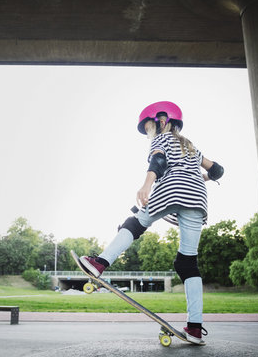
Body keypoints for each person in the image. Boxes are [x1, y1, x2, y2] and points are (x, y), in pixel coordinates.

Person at [80, 101, 224, 345]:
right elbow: (218, 170)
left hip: (171, 189)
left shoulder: (161, 139)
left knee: (134, 223)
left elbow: (158, 161)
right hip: (198, 198)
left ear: (161, 121)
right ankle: (195, 327)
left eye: (148, 128)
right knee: (187, 262)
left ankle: (100, 263)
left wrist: (147, 184)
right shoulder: (190, 146)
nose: (148, 133)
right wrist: (199, 177)